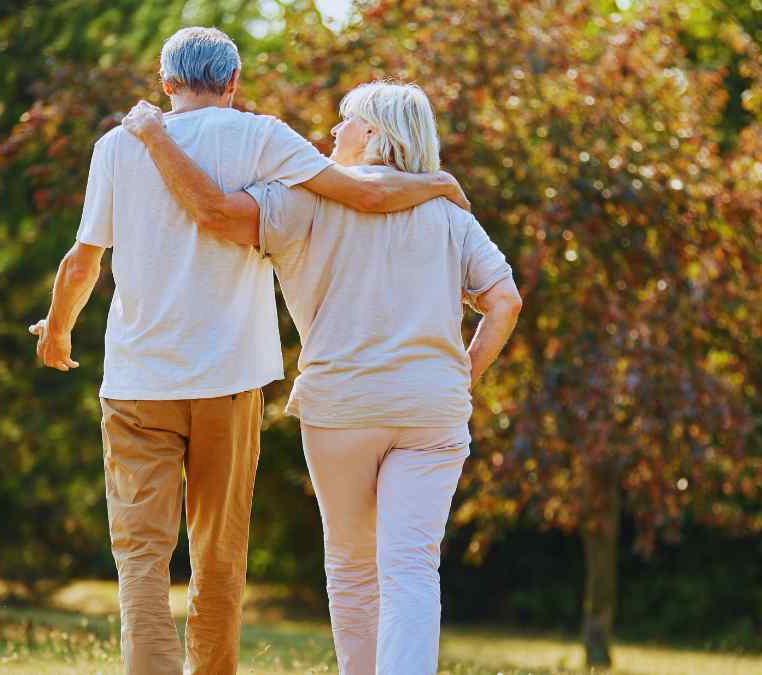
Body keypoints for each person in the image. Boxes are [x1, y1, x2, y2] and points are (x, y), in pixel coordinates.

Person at [28, 28, 469, 675]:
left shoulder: (117, 146)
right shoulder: (261, 137)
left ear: (165, 80)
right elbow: (366, 193)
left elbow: (83, 259)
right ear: (233, 82)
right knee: (219, 553)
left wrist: (59, 326)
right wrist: (439, 187)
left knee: (142, 556)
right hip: (228, 381)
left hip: (136, 385)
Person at [120, 81, 522, 674]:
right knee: (412, 564)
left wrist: (156, 141)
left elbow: (219, 215)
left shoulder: (301, 202)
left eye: (346, 122)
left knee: (355, 566)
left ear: (374, 135)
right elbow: (505, 302)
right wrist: (459, 378)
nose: (333, 133)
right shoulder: (449, 213)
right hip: (431, 410)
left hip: (343, 406)